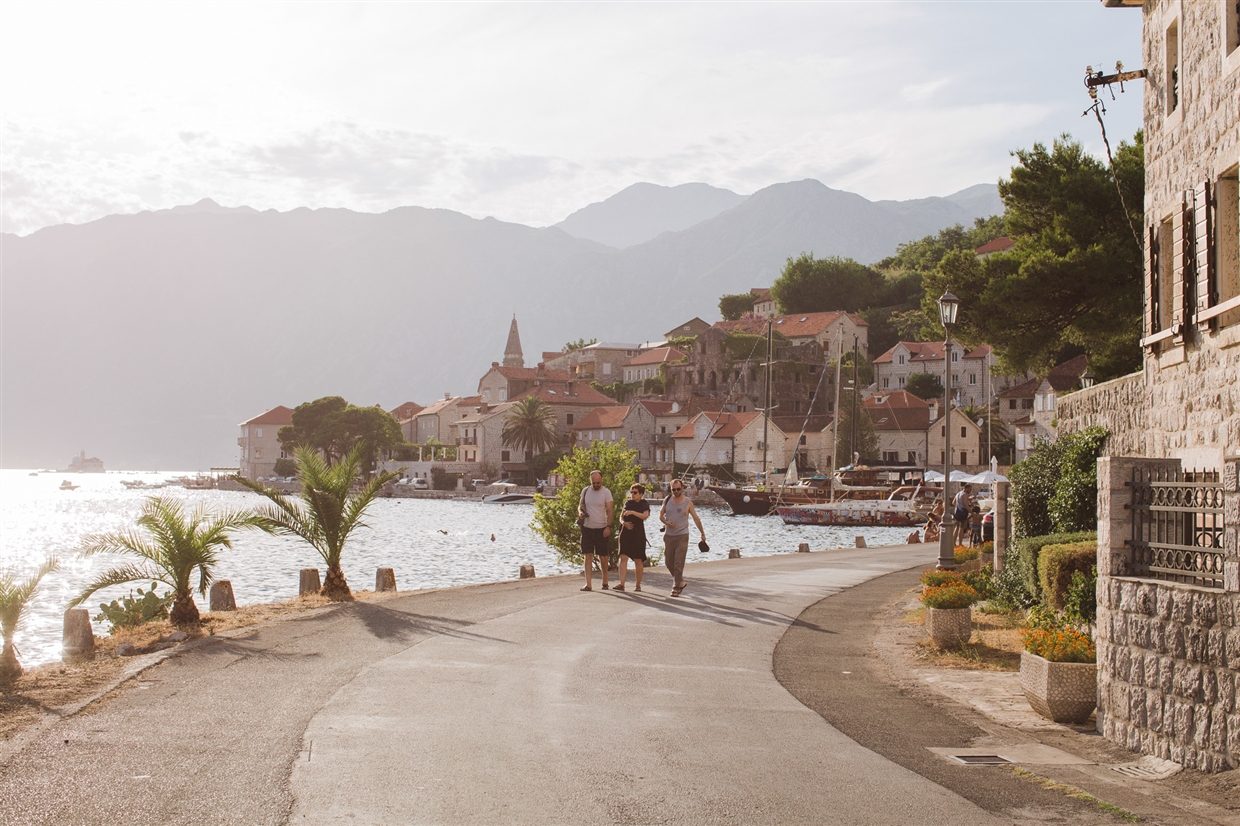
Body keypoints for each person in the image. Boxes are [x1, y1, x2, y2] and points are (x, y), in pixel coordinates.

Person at [659, 479, 706, 597]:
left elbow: (696, 518)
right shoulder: (667, 500)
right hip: (669, 535)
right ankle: (680, 581)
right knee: (668, 562)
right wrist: (666, 522)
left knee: (678, 562)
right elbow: (660, 516)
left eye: (678, 489)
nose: (676, 491)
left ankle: (675, 587)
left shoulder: (688, 502)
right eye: (673, 489)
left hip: (682, 535)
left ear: (682, 488)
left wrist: (702, 533)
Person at [578, 470, 614, 591]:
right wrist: (580, 513)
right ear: (590, 481)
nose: (596, 485)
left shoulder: (606, 492)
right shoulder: (585, 491)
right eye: (594, 483)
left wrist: (608, 526)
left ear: (602, 480)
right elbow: (580, 505)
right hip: (587, 528)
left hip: (601, 528)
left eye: (598, 483)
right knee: (588, 555)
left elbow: (610, 511)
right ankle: (588, 584)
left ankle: (605, 581)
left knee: (603, 556)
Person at [614, 483, 650, 592]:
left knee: (638, 559)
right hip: (626, 533)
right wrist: (623, 522)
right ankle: (622, 584)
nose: (632, 495)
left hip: (638, 534)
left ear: (640, 494)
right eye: (631, 492)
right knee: (623, 557)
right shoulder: (628, 503)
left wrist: (633, 513)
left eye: (635, 493)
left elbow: (645, 516)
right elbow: (621, 515)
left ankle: (638, 585)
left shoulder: (644, 504)